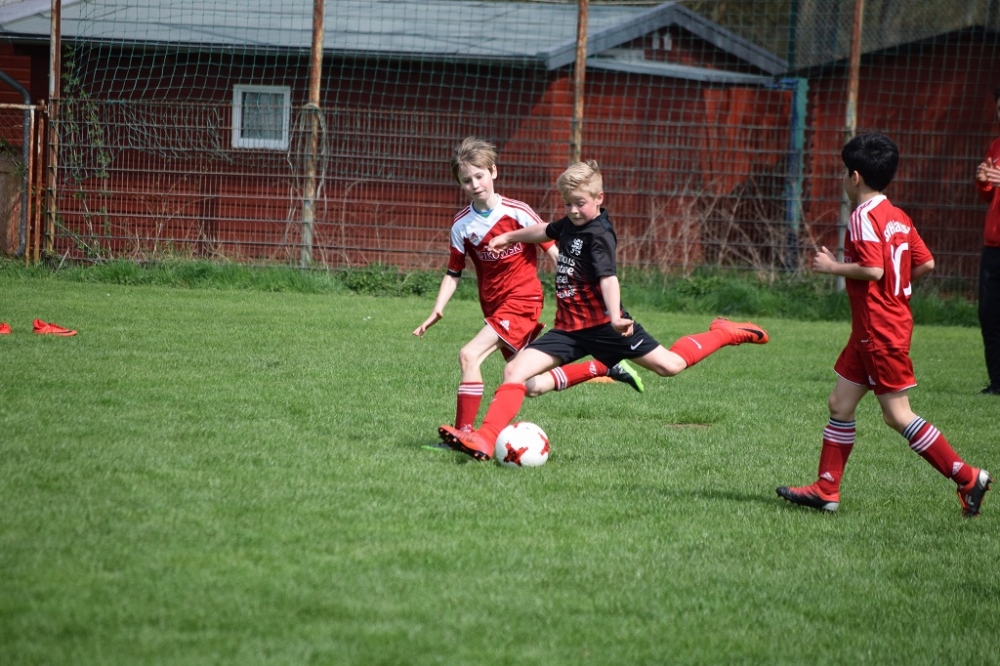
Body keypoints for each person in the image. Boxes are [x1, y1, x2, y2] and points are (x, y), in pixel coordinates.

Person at [437, 159, 769, 460]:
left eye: (580, 203)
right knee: (515, 373)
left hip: (605, 327)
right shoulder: (571, 222)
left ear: (599, 198)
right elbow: (546, 230)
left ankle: (724, 333)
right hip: (568, 329)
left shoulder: (599, 235)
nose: (573, 210)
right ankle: (484, 438)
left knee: (670, 365)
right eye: (568, 204)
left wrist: (615, 317)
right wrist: (511, 236)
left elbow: (608, 279)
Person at [777, 133, 992, 517]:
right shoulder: (897, 216)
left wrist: (832, 267)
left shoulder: (863, 216)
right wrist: (896, 286)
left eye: (844, 172)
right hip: (878, 326)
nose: (843, 179)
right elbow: (926, 263)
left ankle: (967, 476)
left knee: (897, 414)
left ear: (855, 176)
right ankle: (826, 489)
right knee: (840, 403)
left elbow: (874, 269)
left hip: (879, 329)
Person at [414, 138, 644, 434]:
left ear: (493, 172)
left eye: (479, 176)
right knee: (531, 384)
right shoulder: (461, 225)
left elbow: (555, 251)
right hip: (494, 306)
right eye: (466, 180)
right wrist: (437, 309)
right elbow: (453, 272)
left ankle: (463, 433)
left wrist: (584, 290)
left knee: (469, 355)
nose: (475, 184)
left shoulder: (517, 212)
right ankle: (602, 366)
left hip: (523, 300)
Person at [974, 84, 1000, 396]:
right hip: (993, 247)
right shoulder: (996, 145)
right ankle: (997, 382)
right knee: (989, 314)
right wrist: (984, 182)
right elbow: (988, 196)